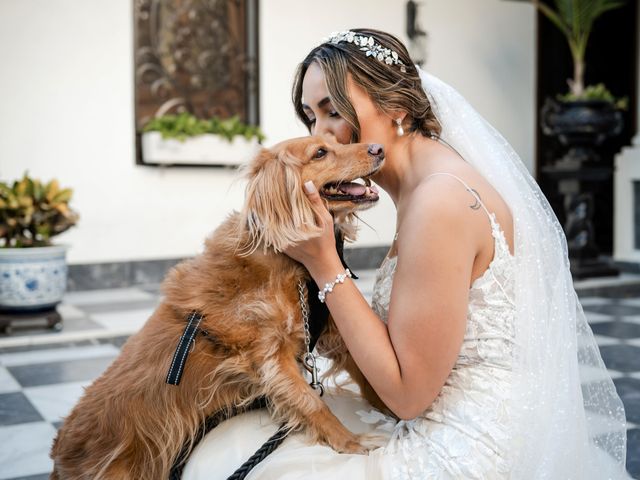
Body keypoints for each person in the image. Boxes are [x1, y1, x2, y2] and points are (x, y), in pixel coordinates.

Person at [182, 28, 630, 479]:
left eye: (333, 111)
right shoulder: (426, 184)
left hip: (461, 447)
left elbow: (407, 394)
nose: (321, 135)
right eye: (310, 118)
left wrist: (324, 263)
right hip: (431, 412)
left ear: (395, 106)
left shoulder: (441, 201)